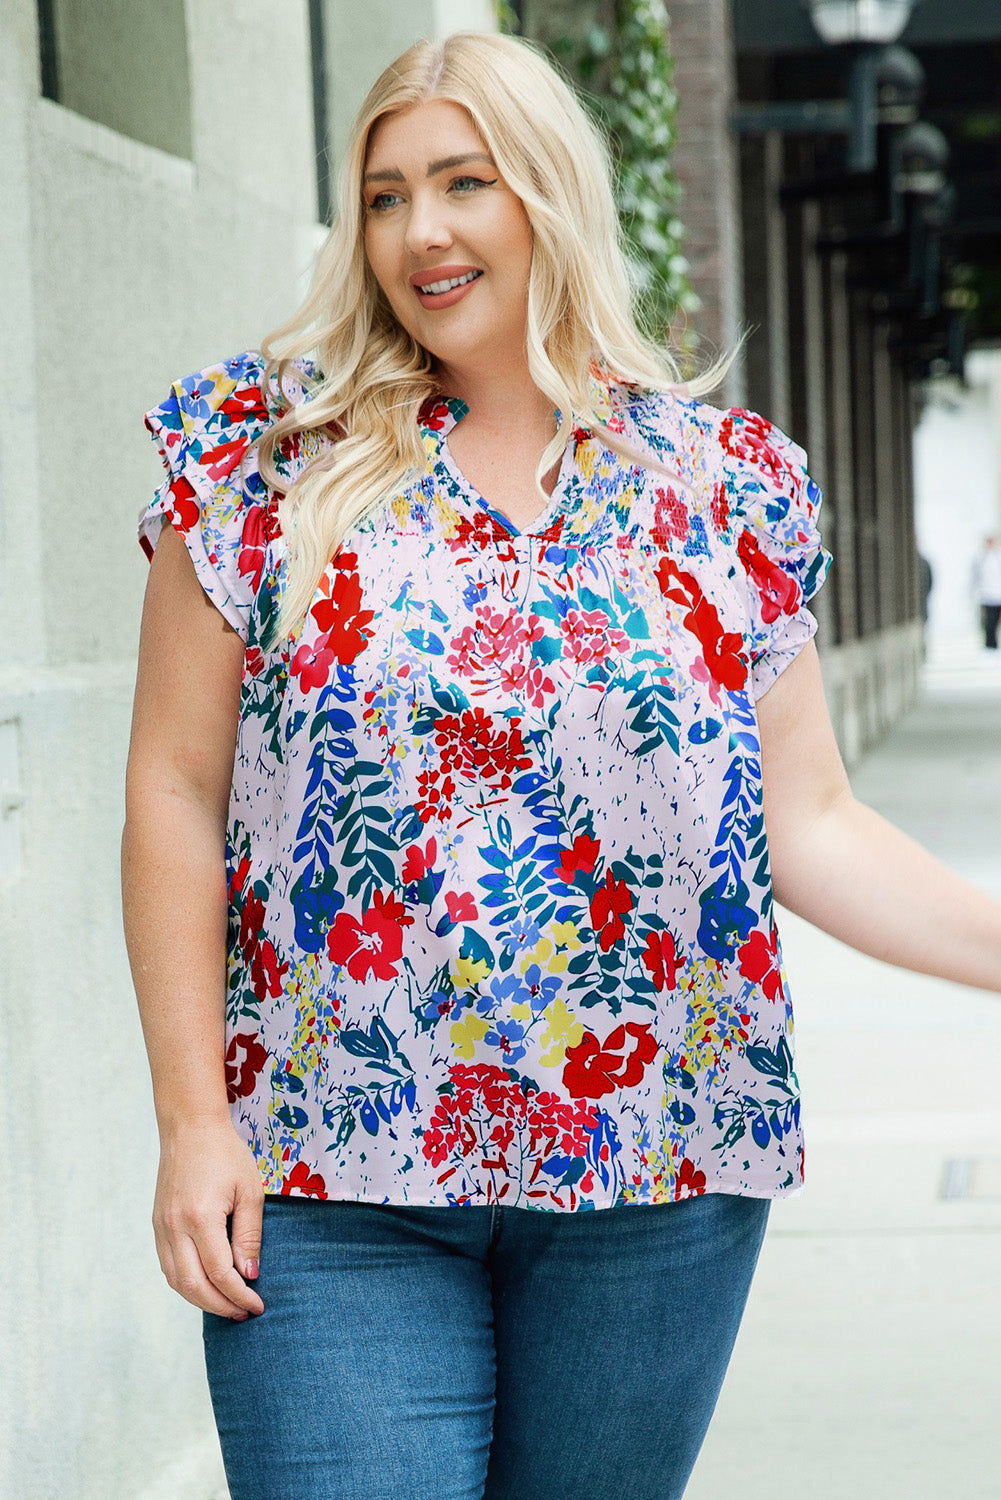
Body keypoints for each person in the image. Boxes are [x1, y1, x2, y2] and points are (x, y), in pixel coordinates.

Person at [121, 31, 1001, 1500]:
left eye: (465, 183)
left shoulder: (717, 488)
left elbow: (816, 825)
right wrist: (191, 1124)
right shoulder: (260, 460)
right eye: (387, 193)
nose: (422, 232)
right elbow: (173, 792)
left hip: (654, 1174)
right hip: (336, 1178)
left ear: (550, 197)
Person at [974, 534, 1001, 649]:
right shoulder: (981, 559)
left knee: (995, 623)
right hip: (987, 596)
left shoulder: (998, 557)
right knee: (989, 624)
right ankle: (990, 647)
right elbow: (976, 577)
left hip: (998, 595)